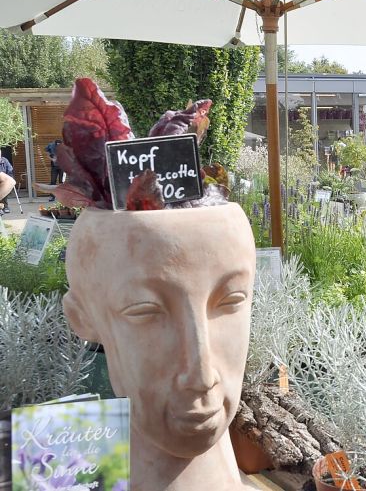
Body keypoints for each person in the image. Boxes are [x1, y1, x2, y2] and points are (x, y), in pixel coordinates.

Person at [63, 204, 256, 490]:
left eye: (230, 301)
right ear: (83, 318)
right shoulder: (56, 462)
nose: (202, 378)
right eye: (144, 311)